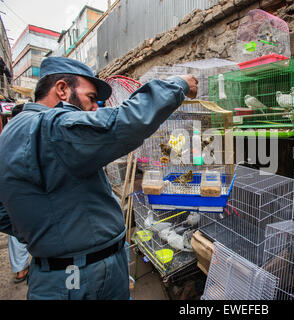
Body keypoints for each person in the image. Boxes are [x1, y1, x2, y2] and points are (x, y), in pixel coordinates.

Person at [0, 56, 198, 300]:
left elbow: (3, 211)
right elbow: (123, 123)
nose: (95, 108)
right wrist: (177, 85)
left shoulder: (10, 131)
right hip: (79, 278)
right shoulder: (52, 126)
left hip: (57, 272)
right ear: (62, 89)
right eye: (91, 98)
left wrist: (44, 232)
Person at [4, 104, 31, 284]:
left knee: (17, 233)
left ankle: (20, 269)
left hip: (16, 197)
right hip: (24, 195)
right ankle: (21, 269)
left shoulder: (6, 135)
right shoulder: (24, 134)